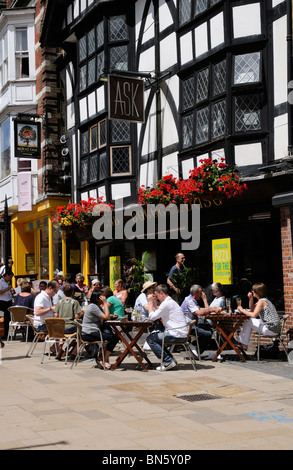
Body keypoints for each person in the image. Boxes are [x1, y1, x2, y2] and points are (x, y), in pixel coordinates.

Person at [146, 284, 189, 371]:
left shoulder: (166, 303)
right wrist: (154, 303)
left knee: (151, 339)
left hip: (177, 334)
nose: (157, 298)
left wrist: (150, 302)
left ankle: (168, 361)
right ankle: (170, 359)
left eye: (157, 296)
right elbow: (157, 313)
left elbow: (152, 317)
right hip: (180, 333)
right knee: (156, 337)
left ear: (161, 293)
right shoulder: (170, 302)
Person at [234, 283, 282, 353]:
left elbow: (253, 314)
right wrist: (251, 298)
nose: (252, 292)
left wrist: (241, 310)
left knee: (248, 320)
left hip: (271, 329)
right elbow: (252, 309)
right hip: (274, 328)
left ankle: (243, 344)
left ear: (257, 292)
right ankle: (243, 344)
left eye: (253, 290)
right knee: (248, 320)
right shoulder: (264, 300)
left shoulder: (261, 302)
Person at [81, 290, 119, 370]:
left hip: (93, 331)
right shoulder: (93, 306)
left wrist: (112, 316)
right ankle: (103, 359)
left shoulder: (96, 306)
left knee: (114, 336)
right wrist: (105, 303)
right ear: (98, 298)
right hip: (89, 333)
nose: (104, 298)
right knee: (113, 337)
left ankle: (102, 357)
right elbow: (106, 317)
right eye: (102, 296)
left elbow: (105, 315)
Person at [181, 284, 221, 358]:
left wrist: (211, 308)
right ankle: (194, 346)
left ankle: (194, 347)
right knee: (208, 333)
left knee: (207, 330)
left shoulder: (191, 300)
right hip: (188, 326)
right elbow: (199, 313)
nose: (201, 295)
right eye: (200, 293)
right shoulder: (190, 301)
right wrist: (210, 310)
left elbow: (199, 309)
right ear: (195, 293)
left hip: (191, 325)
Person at [54, 283, 83, 360]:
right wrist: (82, 313)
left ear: (63, 292)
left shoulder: (59, 302)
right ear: (73, 292)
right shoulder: (75, 302)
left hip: (61, 328)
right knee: (83, 334)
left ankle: (59, 351)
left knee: (61, 334)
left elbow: (56, 315)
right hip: (71, 327)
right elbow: (76, 316)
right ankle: (74, 352)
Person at [0, 269, 14, 339]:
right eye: (10, 277)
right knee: (4, 319)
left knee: (8, 319)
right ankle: (3, 334)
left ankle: (7, 334)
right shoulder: (0, 282)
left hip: (8, 302)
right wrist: (7, 289)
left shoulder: (6, 282)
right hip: (2, 302)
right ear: (6, 275)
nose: (10, 279)